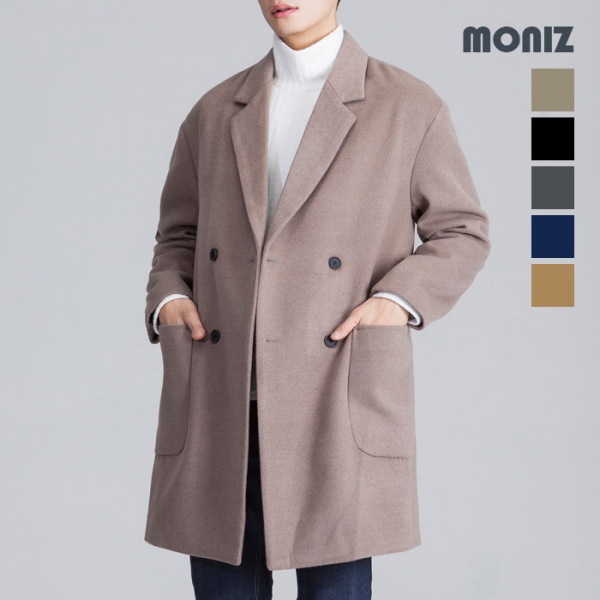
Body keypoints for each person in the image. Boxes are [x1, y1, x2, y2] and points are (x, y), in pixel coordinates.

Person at [143, 0, 491, 598]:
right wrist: (169, 297)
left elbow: (462, 230)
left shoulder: (407, 105)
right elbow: (178, 234)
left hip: (333, 388)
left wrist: (395, 300)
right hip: (226, 393)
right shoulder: (214, 111)